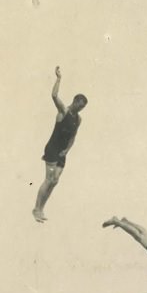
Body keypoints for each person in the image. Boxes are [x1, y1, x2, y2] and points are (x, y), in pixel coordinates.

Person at [33, 66, 87, 223]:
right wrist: (58, 78)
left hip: (62, 152)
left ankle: (41, 209)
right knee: (49, 179)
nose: (81, 109)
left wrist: (67, 150)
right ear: (75, 101)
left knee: (55, 181)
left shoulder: (78, 119)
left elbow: (73, 137)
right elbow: (54, 95)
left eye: (83, 107)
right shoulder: (64, 111)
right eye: (80, 105)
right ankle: (36, 209)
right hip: (52, 148)